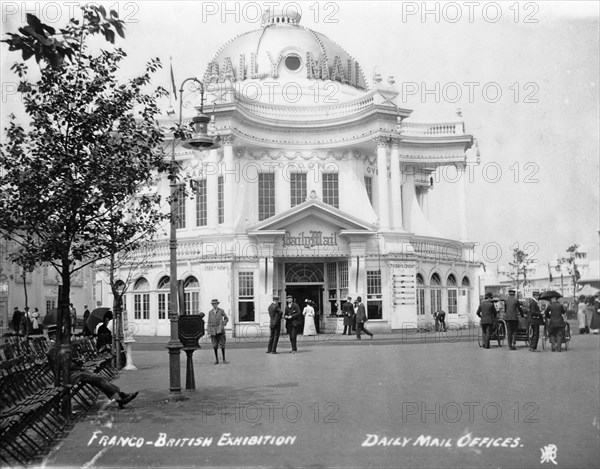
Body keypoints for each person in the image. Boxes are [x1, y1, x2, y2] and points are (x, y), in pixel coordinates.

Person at [46, 326, 138, 408]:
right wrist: (77, 364)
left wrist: (76, 360)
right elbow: (64, 365)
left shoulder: (56, 346)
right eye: (56, 335)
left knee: (97, 380)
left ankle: (120, 398)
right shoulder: (53, 349)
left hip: (71, 373)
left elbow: (66, 361)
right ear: (51, 336)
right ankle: (120, 395)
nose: (59, 337)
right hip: (66, 376)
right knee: (98, 378)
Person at [207, 299, 229, 364]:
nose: (214, 305)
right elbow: (209, 322)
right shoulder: (210, 312)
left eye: (215, 304)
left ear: (217, 304)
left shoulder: (221, 311)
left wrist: (223, 323)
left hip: (220, 330)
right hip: (213, 331)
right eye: (213, 304)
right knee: (214, 345)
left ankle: (224, 359)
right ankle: (216, 360)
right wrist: (208, 331)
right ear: (212, 305)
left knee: (222, 344)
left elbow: (226, 318)